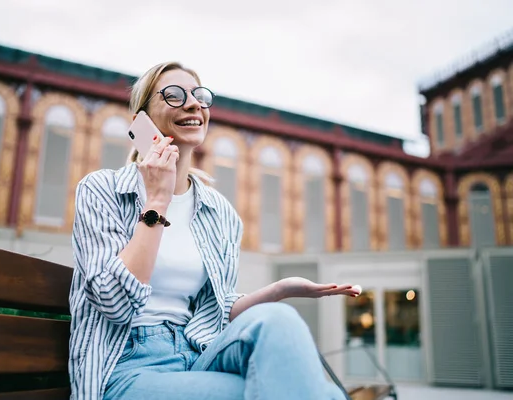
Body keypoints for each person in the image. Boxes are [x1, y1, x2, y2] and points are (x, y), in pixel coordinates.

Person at [69, 61, 360, 400]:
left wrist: (280, 289)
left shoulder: (220, 213)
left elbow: (217, 311)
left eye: (199, 96)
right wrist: (158, 200)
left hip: (198, 355)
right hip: (124, 366)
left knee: (279, 319)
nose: (194, 104)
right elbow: (114, 303)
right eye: (174, 96)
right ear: (141, 121)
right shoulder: (101, 190)